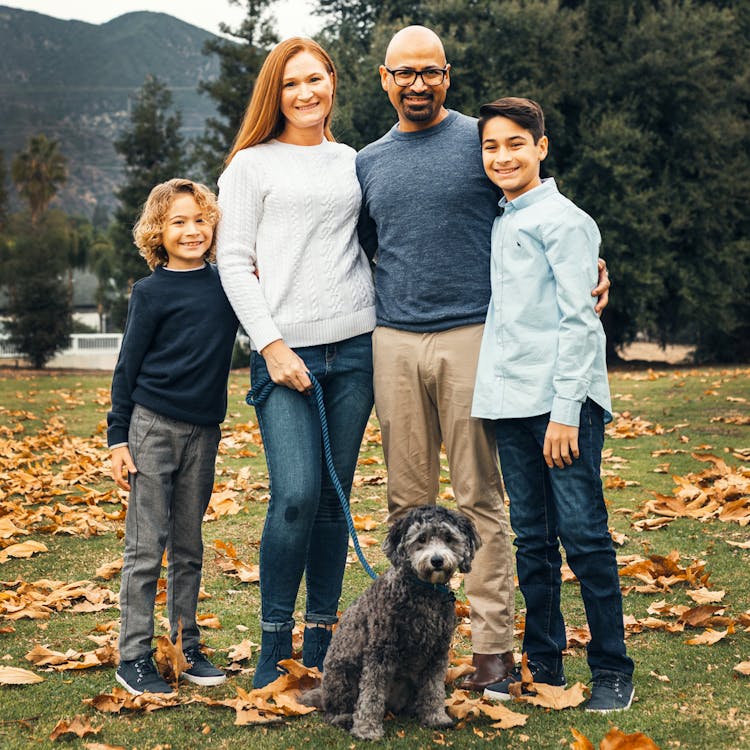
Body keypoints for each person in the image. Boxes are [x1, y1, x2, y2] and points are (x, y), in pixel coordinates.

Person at [356, 25, 611, 691]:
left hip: (475, 338)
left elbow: (532, 212)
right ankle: (413, 655)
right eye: (404, 73)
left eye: (430, 72)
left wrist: (591, 270)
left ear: (447, 75)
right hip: (395, 341)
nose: (417, 84)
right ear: (384, 78)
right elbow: (358, 249)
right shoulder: (368, 162)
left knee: (479, 499)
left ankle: (493, 656)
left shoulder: (480, 142)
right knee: (407, 503)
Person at [215, 38, 376, 688]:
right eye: (291, 84)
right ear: (274, 94)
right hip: (285, 352)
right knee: (295, 498)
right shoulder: (250, 166)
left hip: (358, 347)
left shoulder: (353, 161)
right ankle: (274, 646)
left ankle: (322, 646)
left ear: (333, 82)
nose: (306, 93)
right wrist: (271, 344)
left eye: (316, 79)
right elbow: (232, 260)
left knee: (334, 503)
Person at [472, 97, 634, 711]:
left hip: (562, 406)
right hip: (512, 405)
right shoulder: (502, 217)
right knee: (532, 540)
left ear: (541, 147)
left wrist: (566, 410)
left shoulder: (564, 221)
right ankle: (544, 664)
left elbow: (580, 321)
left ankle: (614, 669)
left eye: (517, 143)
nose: (504, 155)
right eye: (492, 145)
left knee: (585, 535)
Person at [108, 178, 238, 695]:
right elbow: (126, 366)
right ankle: (133, 655)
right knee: (145, 547)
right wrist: (118, 439)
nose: (190, 231)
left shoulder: (229, 285)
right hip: (151, 428)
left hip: (203, 432)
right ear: (157, 232)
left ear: (214, 226)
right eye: (177, 222)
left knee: (189, 545)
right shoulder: (151, 291)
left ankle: (186, 645)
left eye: (199, 220)